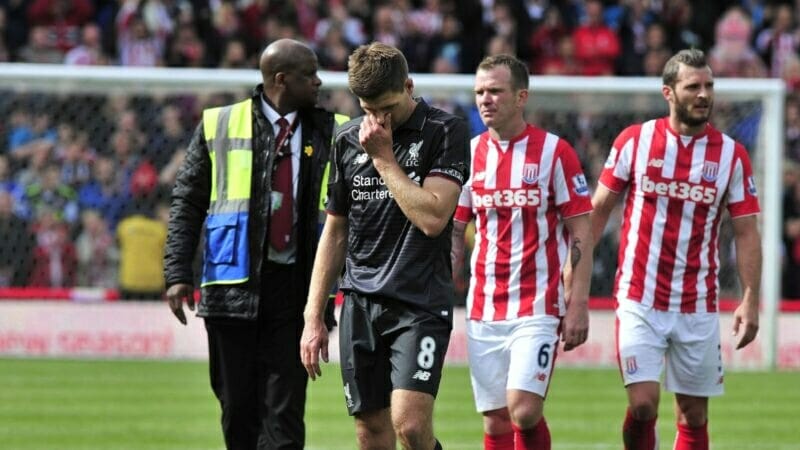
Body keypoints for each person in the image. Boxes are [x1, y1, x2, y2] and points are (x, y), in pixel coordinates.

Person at [163, 39, 346, 449]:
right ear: (281, 80)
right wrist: (176, 273)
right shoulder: (219, 124)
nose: (318, 81)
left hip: (298, 291)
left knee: (284, 419)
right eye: (309, 74)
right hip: (231, 289)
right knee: (238, 413)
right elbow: (187, 202)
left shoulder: (334, 131)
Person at [300, 42, 469, 450]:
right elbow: (335, 231)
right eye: (369, 109)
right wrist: (313, 315)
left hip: (420, 302)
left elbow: (432, 218)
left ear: (409, 86)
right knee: (370, 432)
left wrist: (384, 160)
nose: (378, 119)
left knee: (410, 426)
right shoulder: (345, 139)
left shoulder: (445, 131)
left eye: (388, 107)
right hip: (360, 301)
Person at [590, 49, 761, 450]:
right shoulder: (635, 141)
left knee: (694, 414)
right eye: (693, 86)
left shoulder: (731, 155)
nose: (704, 94)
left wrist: (750, 298)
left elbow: (747, 232)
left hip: (697, 302)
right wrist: (572, 274)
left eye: (709, 86)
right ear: (669, 93)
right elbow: (597, 211)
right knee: (645, 404)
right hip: (639, 296)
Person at [451, 54, 594, 450]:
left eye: (495, 91)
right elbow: (456, 227)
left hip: (538, 306)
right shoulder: (469, 154)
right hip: (483, 306)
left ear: (520, 97)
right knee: (497, 422)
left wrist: (578, 302)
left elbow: (581, 227)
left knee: (524, 410)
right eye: (480, 92)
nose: (485, 99)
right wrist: (444, 277)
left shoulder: (554, 152)